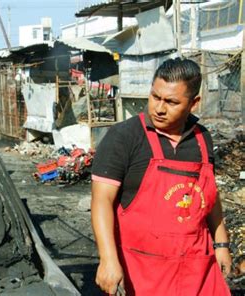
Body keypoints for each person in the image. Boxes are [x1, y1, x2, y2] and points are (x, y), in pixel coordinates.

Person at [91, 58, 232, 295]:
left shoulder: (202, 139)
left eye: (171, 102)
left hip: (196, 268)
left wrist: (221, 244)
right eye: (155, 97)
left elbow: (209, 197)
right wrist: (108, 259)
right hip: (142, 270)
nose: (159, 108)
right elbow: (101, 200)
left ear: (194, 103)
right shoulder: (124, 137)